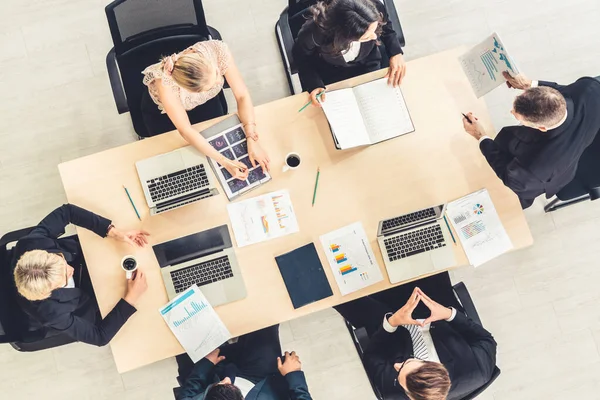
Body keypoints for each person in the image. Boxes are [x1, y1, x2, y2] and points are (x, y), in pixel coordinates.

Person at [334, 273, 497, 400]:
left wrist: (391, 323)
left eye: (400, 375)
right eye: (407, 363)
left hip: (385, 324)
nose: (396, 366)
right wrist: (449, 314)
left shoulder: (394, 394)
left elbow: (371, 357)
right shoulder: (478, 372)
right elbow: (485, 339)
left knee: (333, 288)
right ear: (436, 365)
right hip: (435, 309)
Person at [12, 204, 149, 347]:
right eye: (65, 277)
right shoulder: (51, 313)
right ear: (49, 292)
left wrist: (113, 232)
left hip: (87, 255)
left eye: (61, 260)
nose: (70, 268)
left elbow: (67, 211)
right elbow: (100, 337)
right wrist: (131, 298)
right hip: (89, 294)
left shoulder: (31, 243)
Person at [463, 72, 600, 209]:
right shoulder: (590, 89)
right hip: (581, 140)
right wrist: (529, 84)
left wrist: (481, 136)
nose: (511, 112)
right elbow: (562, 91)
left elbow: (507, 174)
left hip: (545, 177)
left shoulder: (534, 169)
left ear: (541, 127)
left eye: (517, 116)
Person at [142, 40, 270, 180]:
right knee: (180, 161)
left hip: (204, 104)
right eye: (210, 87)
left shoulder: (217, 51)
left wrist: (251, 137)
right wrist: (225, 162)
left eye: (216, 73)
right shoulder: (165, 84)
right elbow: (185, 130)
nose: (218, 82)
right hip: (162, 115)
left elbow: (242, 95)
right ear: (191, 90)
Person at [293, 0, 406, 107]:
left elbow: (387, 27)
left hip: (367, 63)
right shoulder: (315, 32)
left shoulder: (374, 6)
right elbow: (301, 58)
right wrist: (313, 84)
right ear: (345, 36)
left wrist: (395, 52)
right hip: (330, 73)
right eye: (367, 36)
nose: (375, 37)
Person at [177, 325, 312, 400]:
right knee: (264, 321)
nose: (226, 379)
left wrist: (205, 364)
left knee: (188, 326)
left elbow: (186, 397)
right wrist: (293, 375)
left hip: (211, 375)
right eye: (226, 383)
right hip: (262, 379)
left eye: (223, 383)